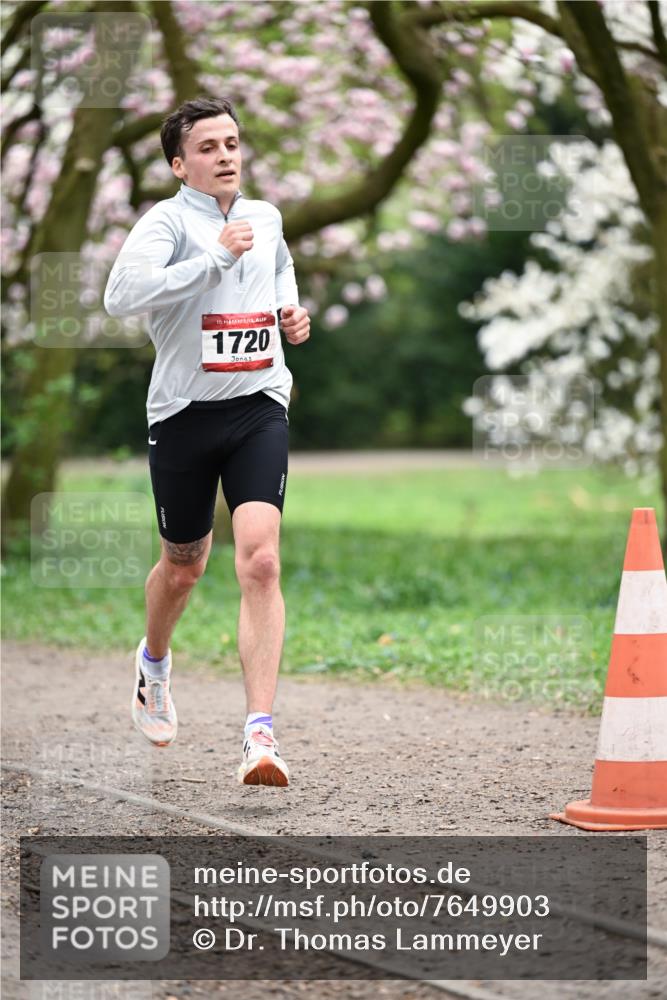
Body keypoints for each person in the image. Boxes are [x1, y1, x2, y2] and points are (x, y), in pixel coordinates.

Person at [104, 96, 310, 787]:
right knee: (184, 565)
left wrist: (290, 310)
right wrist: (214, 260)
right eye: (208, 147)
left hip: (258, 405)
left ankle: (259, 735)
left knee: (261, 560)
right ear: (178, 164)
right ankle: (154, 665)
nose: (225, 156)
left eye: (232, 144)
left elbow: (278, 268)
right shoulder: (164, 224)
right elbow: (120, 297)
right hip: (183, 415)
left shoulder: (265, 216)